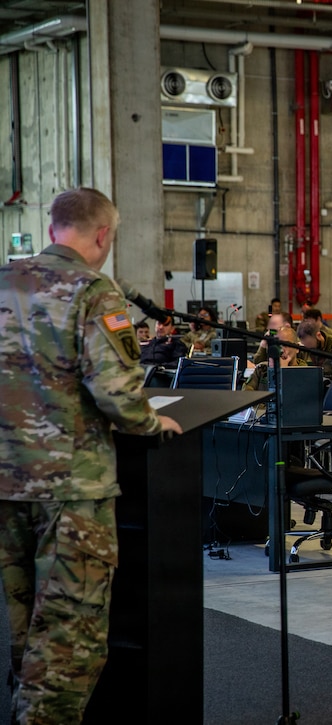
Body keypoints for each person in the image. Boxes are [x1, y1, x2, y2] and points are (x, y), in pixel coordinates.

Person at [0, 187, 183, 724]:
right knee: (67, 647)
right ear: (103, 233)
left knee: (27, 631)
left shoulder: (4, 282)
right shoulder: (93, 291)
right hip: (70, 490)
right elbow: (118, 395)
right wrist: (153, 422)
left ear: (54, 226)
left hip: (7, 485)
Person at [243, 326, 303, 391]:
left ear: (297, 348)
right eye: (277, 345)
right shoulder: (262, 369)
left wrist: (283, 372)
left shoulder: (305, 371)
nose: (281, 350)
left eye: (286, 344)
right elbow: (246, 394)